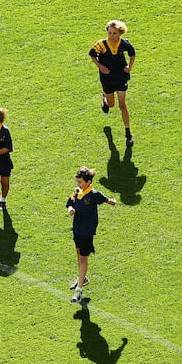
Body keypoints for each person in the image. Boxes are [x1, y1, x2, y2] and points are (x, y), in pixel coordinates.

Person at [66, 166, 116, 303]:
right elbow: (69, 202)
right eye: (77, 182)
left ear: (88, 182)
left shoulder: (93, 194)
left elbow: (106, 199)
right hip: (77, 229)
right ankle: (83, 278)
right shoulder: (76, 192)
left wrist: (112, 201)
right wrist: (71, 209)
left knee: (83, 258)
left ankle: (79, 290)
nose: (78, 185)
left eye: (80, 182)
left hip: (87, 231)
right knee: (78, 255)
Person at [89, 19, 136, 147]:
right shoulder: (101, 44)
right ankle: (105, 98)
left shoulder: (124, 43)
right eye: (110, 33)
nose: (112, 36)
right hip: (108, 77)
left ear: (120, 33)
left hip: (121, 76)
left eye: (114, 33)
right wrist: (100, 66)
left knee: (122, 105)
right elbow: (92, 54)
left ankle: (128, 134)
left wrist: (129, 67)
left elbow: (132, 54)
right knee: (111, 105)